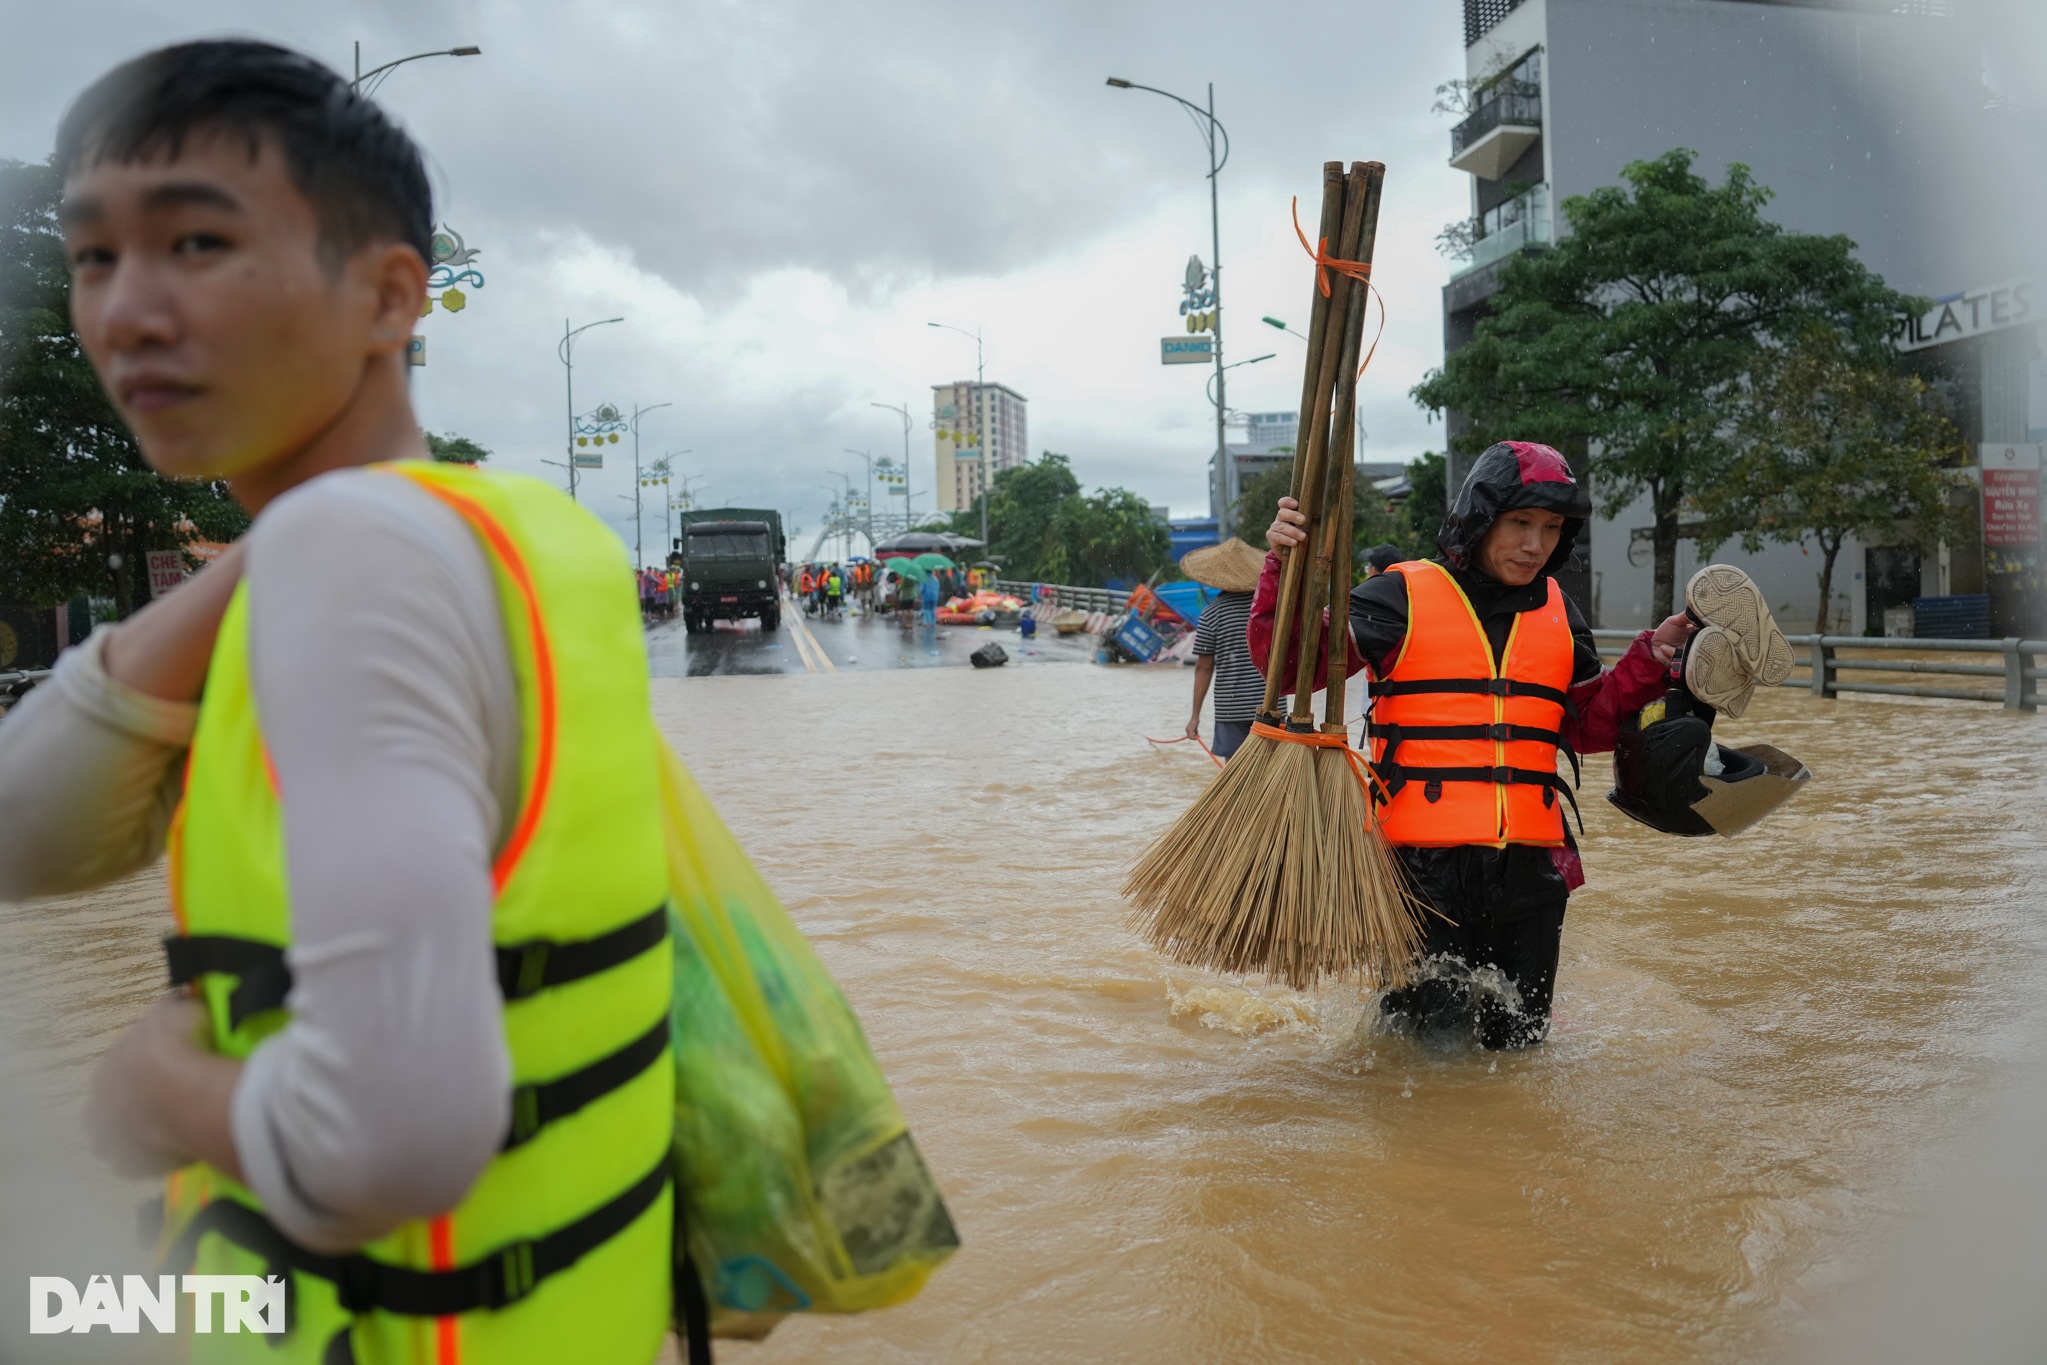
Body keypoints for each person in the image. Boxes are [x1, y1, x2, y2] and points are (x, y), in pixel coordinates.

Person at [0, 42, 673, 1360]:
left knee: (36, 1303)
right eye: (92, 258)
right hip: (563, 1322)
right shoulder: (527, 533)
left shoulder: (357, 561)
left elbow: (394, 1137)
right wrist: (271, 549)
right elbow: (27, 832)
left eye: (195, 242)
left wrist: (154, 1096)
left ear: (389, 296)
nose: (126, 311)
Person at [1256, 440, 1739, 1050]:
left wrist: (1651, 658)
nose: (1534, 544)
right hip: (1421, 874)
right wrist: (1283, 567)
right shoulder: (1398, 596)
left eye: (1550, 528)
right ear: (1481, 519)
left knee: (1520, 1051)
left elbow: (1583, 727)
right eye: (1519, 523)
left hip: (1532, 873)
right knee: (1427, 1054)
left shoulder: (1561, 612)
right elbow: (1296, 669)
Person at [1178, 538, 1267, 761]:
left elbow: (1204, 667)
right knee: (1269, 773)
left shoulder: (1212, 614)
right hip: (1269, 705)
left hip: (1231, 708)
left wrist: (1195, 717)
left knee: (1234, 776)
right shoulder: (1270, 611)